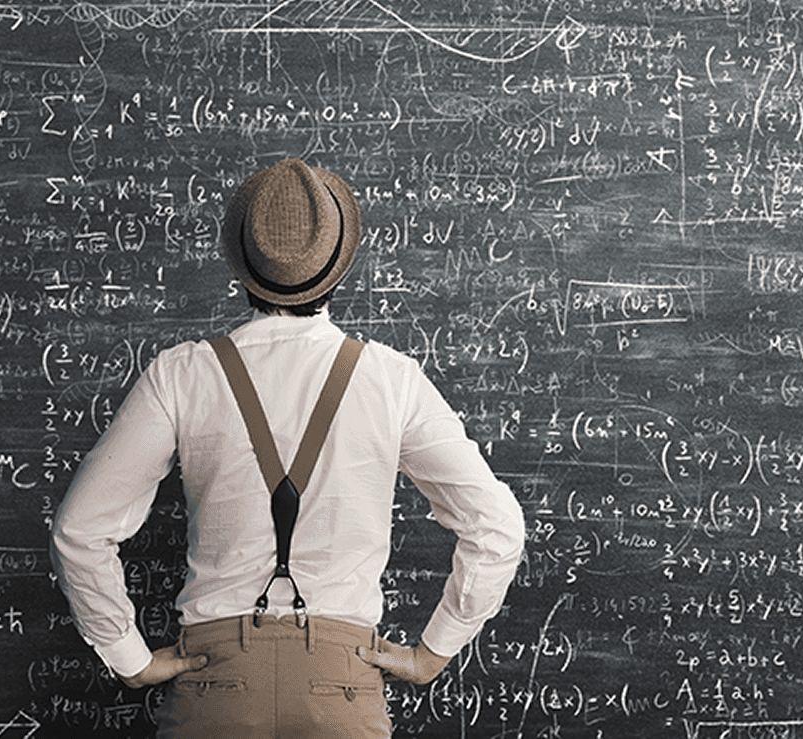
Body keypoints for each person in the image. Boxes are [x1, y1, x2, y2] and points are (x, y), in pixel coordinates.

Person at [50, 158, 525, 738]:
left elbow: (79, 530)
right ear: (337, 270)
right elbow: (496, 526)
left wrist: (129, 656)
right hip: (342, 681)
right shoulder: (389, 379)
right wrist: (432, 652)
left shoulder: (183, 375)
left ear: (242, 270)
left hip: (216, 680)